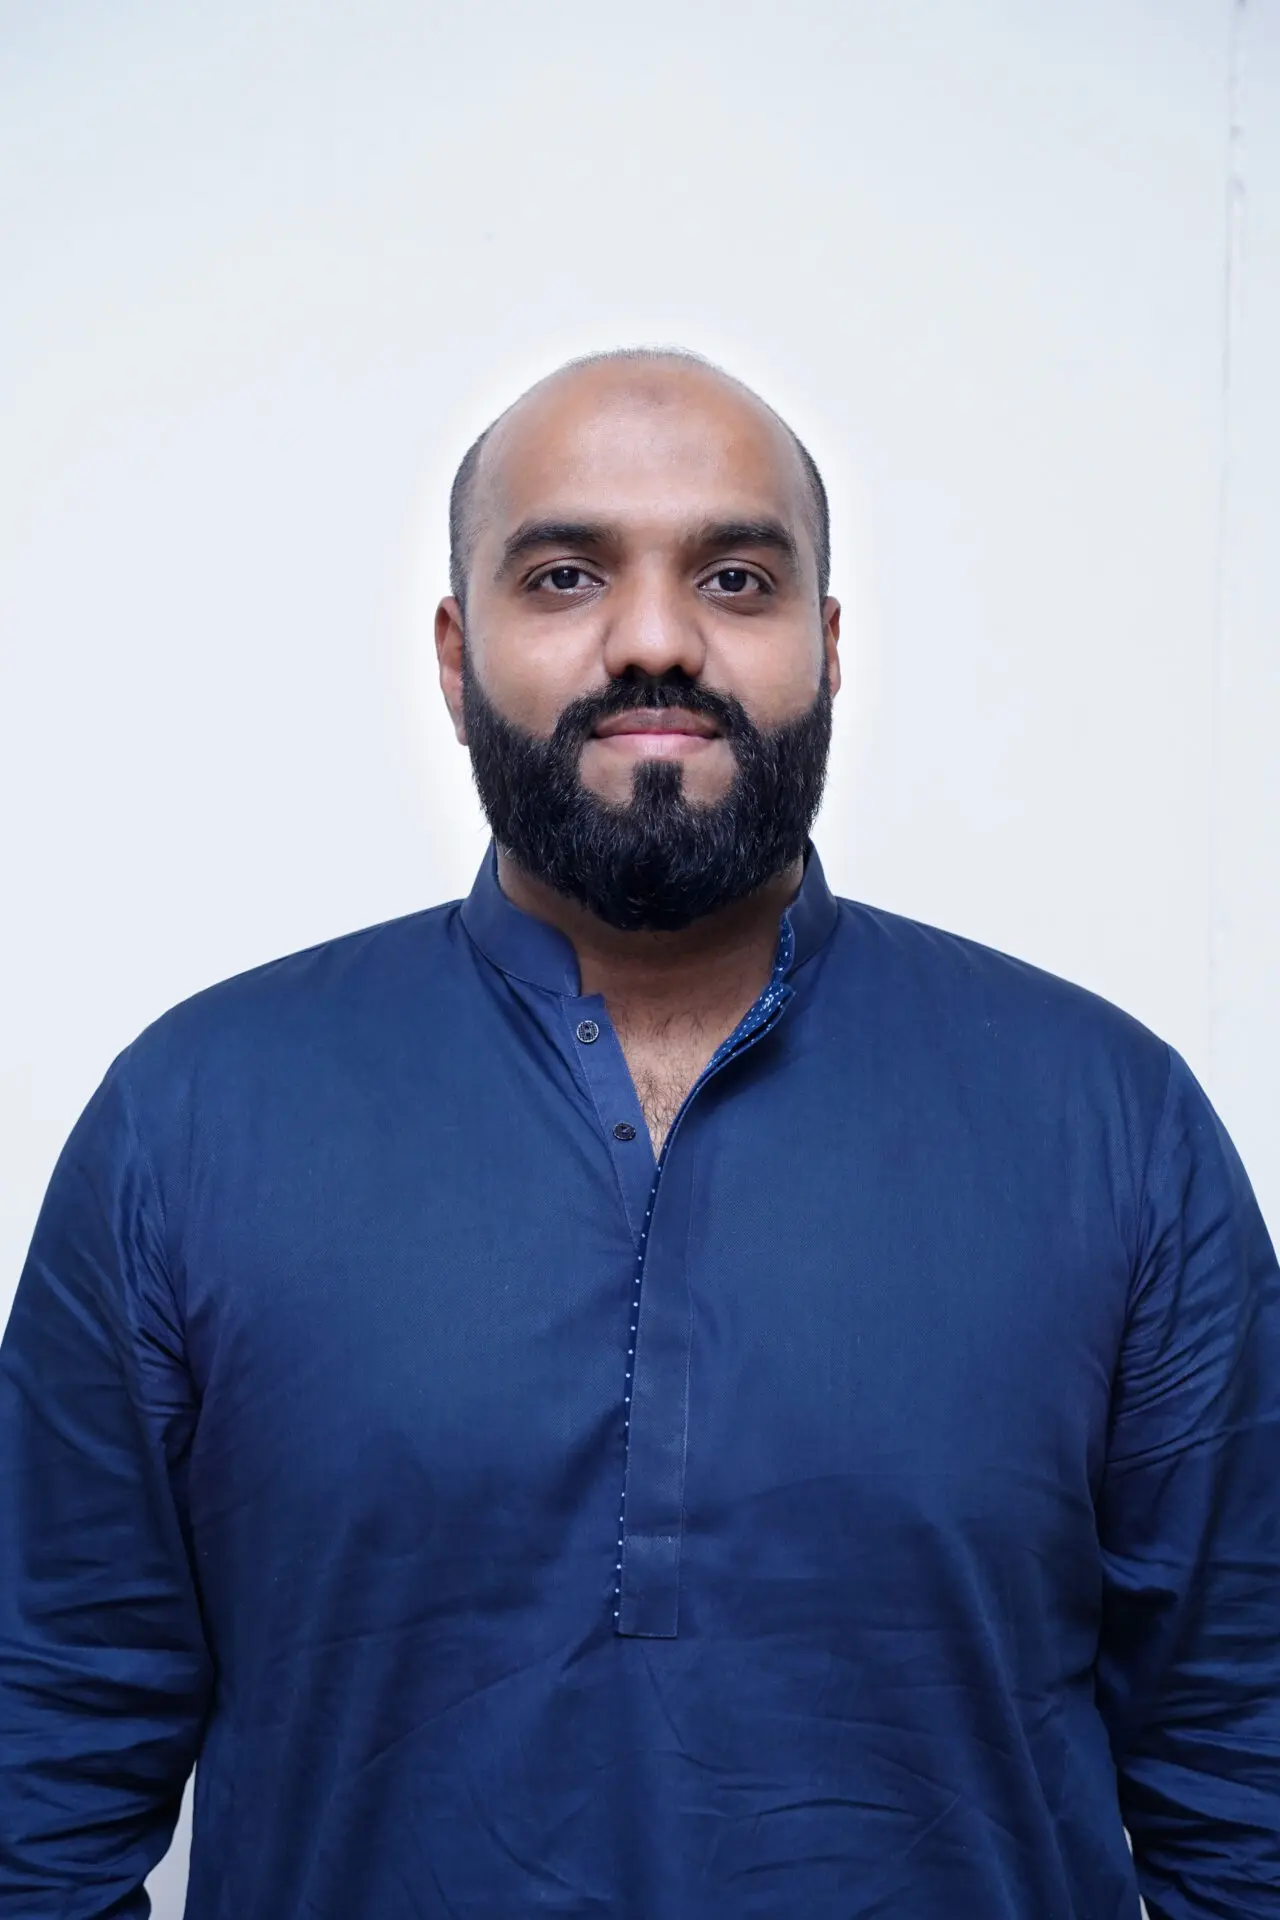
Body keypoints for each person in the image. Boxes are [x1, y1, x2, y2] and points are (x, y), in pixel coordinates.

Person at [1, 348, 1277, 1920]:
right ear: (456, 656)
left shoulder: (1117, 1128)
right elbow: (40, 1777)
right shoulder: (189, 1123)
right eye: (565, 575)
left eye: (736, 578)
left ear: (828, 646)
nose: (656, 639)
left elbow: (1247, 1777)